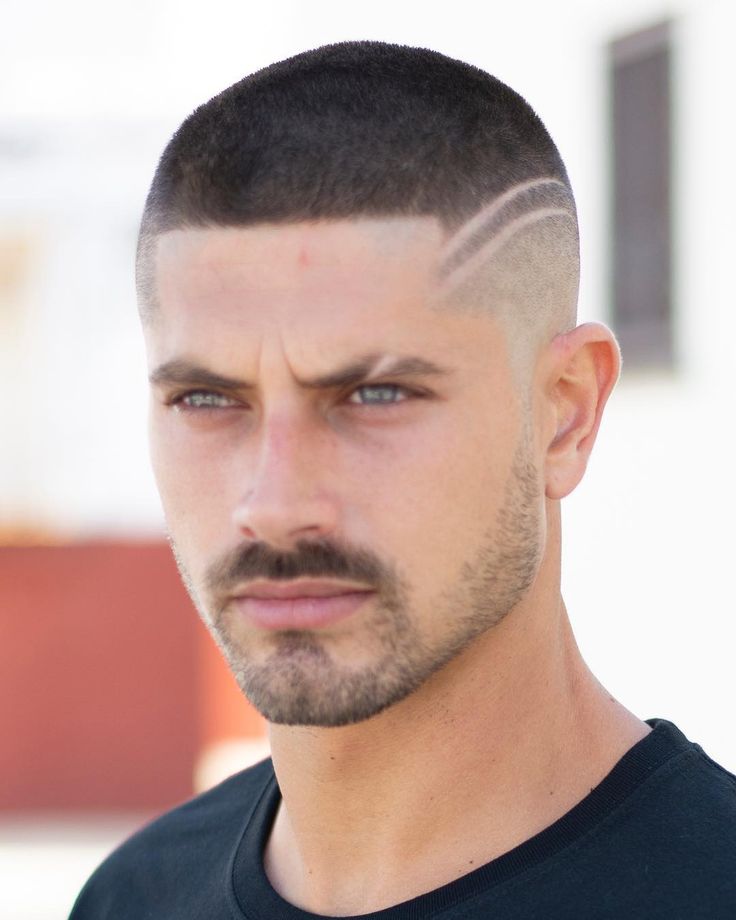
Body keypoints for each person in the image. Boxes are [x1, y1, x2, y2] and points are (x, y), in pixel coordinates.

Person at [70, 41, 736, 919]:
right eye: (207, 399)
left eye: (374, 394)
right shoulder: (131, 898)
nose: (274, 506)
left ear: (565, 413)